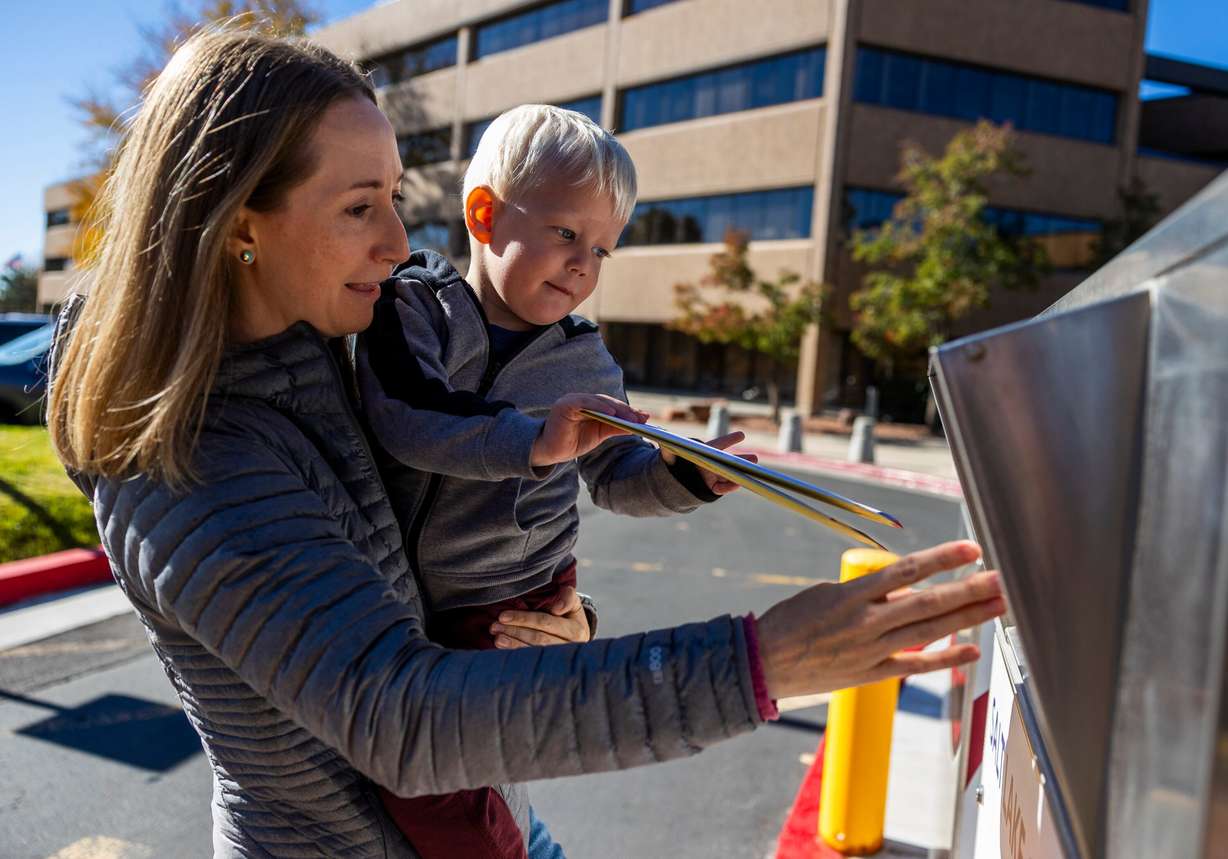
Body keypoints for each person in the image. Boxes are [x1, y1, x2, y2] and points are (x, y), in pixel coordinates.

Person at [46, 27, 1006, 859]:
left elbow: (431, 551)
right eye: (357, 206)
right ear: (237, 224)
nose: (396, 241)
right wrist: (763, 663)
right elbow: (399, 712)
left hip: (491, 810)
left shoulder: (329, 342)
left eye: (392, 197)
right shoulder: (185, 455)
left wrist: (560, 618)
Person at [356, 104, 753, 858]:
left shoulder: (586, 359)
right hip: (415, 598)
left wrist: (681, 476)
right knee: (433, 752)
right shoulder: (412, 308)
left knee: (426, 769)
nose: (583, 265)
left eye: (604, 250)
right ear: (483, 214)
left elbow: (615, 477)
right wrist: (534, 440)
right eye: (567, 234)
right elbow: (409, 415)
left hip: (517, 596)